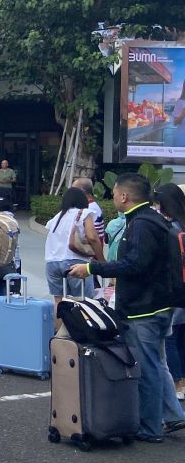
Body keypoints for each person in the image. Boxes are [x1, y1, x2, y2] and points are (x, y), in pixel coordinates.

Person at [68, 174, 185, 441]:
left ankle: (150, 428)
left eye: (115, 193)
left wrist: (91, 267)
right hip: (155, 305)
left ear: (124, 196)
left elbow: (135, 264)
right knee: (155, 365)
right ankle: (171, 416)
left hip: (144, 308)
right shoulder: (152, 221)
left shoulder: (142, 225)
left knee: (148, 369)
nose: (112, 198)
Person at [43, 187, 103, 321]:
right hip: (75, 262)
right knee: (83, 300)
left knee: (59, 301)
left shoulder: (57, 217)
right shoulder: (84, 213)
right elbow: (93, 237)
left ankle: (60, 336)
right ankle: (83, 334)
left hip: (52, 263)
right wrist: (101, 259)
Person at [151, 184, 185, 401]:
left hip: (173, 288)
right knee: (182, 336)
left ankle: (178, 382)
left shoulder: (168, 228)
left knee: (171, 338)